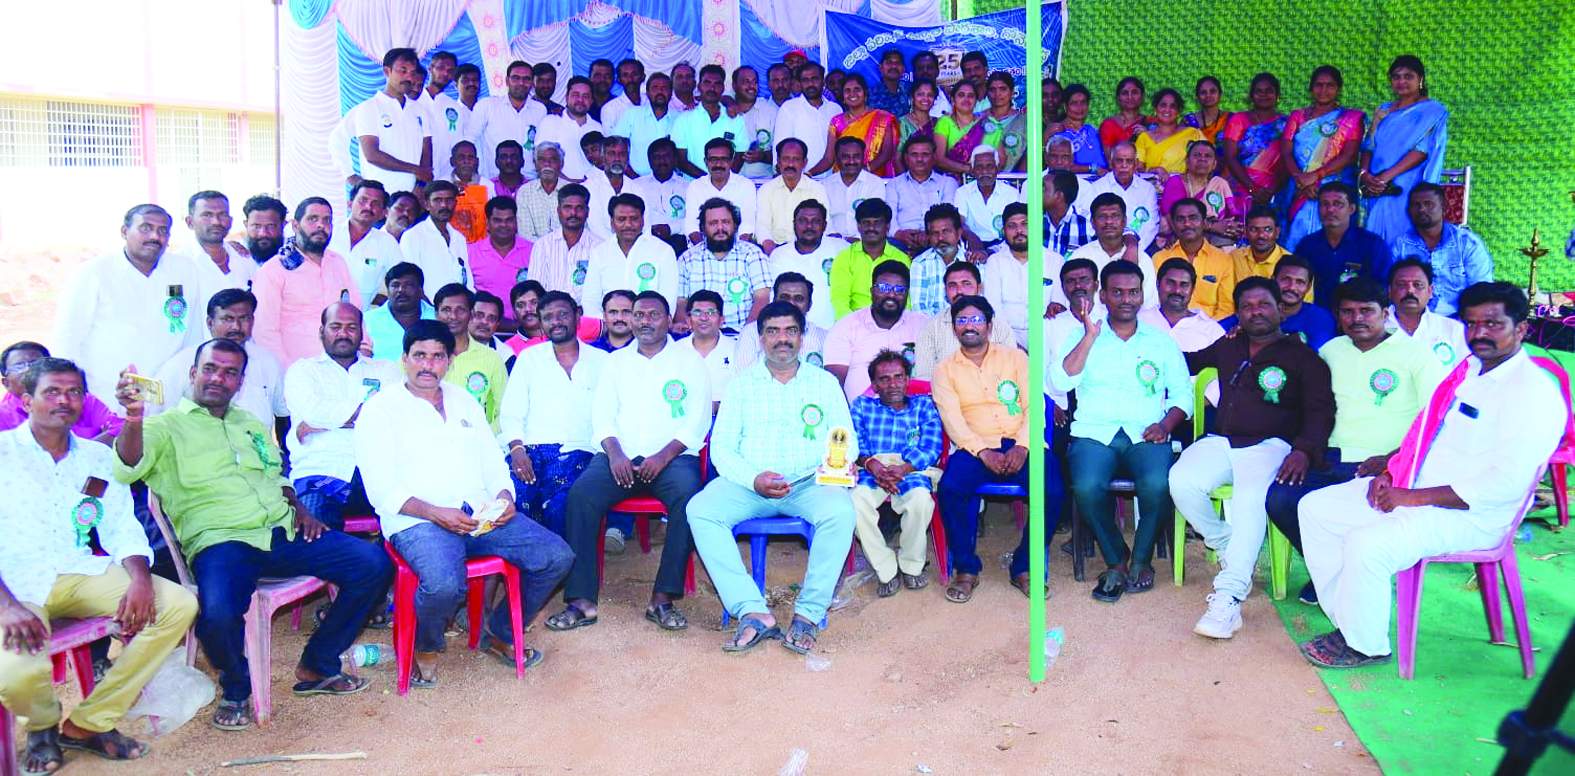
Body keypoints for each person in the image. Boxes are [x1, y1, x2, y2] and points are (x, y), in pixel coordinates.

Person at [113, 339, 392, 729]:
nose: (218, 378)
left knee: (373, 563)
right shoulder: (163, 427)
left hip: (280, 530)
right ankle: (237, 686)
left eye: (230, 372)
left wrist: (300, 510)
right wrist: (133, 418)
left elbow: (276, 475)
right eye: (210, 369)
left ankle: (318, 663)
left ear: (240, 381)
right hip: (221, 542)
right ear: (193, 373)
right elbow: (126, 465)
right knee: (217, 615)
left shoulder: (249, 423)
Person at [1297, 283, 1563, 668]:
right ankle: (1350, 620)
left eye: (1493, 324)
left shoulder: (1532, 394)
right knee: (1316, 508)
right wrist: (1392, 470)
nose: (1479, 333)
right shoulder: (1469, 370)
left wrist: (1410, 498)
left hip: (1471, 516)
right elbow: (1426, 433)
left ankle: (1365, 646)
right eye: (1471, 324)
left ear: (1521, 328)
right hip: (1417, 489)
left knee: (1367, 544)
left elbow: (1505, 486)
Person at [0, 358, 197, 773]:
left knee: (178, 604)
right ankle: (42, 725)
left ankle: (89, 723)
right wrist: (7, 606)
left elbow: (121, 525)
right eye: (52, 392)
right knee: (15, 672)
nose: (64, 400)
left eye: (74, 392)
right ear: (26, 400)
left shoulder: (95, 457)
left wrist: (140, 579)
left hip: (78, 571)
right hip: (15, 585)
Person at [355, 320, 571, 685]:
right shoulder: (380, 409)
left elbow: (491, 459)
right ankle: (426, 646)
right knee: (444, 585)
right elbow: (380, 489)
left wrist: (504, 496)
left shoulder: (463, 400)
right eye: (419, 355)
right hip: (417, 521)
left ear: (449, 361)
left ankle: (500, 633)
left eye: (438, 357)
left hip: (478, 514)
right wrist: (435, 513)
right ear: (404, 359)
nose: (428, 365)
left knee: (556, 556)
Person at [688, 301, 857, 654]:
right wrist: (754, 479)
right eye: (773, 331)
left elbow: (845, 439)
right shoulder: (741, 385)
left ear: (802, 336)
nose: (783, 339)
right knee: (701, 510)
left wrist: (841, 464)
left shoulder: (824, 383)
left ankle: (809, 613)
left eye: (790, 330)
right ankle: (752, 611)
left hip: (809, 484)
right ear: (761, 338)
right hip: (750, 485)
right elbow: (722, 448)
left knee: (841, 512)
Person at [1170, 277, 1334, 639]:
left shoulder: (1303, 357)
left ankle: (1229, 598)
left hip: (1270, 446)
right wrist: (1143, 342)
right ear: (1238, 314)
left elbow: (1321, 411)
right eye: (1246, 306)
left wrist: (1304, 450)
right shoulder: (1229, 345)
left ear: (1280, 310)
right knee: (1181, 481)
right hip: (1222, 441)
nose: (1255, 312)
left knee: (1249, 502)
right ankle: (1226, 544)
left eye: (1263, 304)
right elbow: (1187, 361)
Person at [1264, 278, 1445, 604]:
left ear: (1386, 313)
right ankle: (1330, 571)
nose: (1357, 319)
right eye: (1348, 312)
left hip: (1384, 465)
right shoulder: (1331, 351)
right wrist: (1303, 449)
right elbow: (1309, 406)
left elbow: (1435, 421)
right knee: (1280, 499)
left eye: (1366, 311)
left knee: (1349, 513)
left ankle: (1341, 576)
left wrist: (1392, 460)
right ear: (1337, 316)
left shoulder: (1417, 355)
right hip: (1328, 456)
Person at [548, 292, 708, 633]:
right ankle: (581, 600)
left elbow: (697, 420)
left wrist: (663, 456)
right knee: (581, 496)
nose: (645, 321)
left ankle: (662, 598)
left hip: (672, 457)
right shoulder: (615, 362)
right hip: (619, 456)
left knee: (690, 498)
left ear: (669, 320)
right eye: (639, 315)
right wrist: (615, 453)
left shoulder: (690, 361)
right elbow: (602, 415)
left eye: (653, 315)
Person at [1052, 260, 1190, 600]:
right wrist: (1089, 338)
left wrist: (1165, 424)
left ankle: (1141, 560)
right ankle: (1117, 559)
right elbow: (1060, 381)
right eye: (1117, 292)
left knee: (1157, 484)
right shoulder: (1083, 335)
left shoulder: (1160, 342)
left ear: (1142, 295)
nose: (1126, 299)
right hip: (1094, 433)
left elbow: (1183, 395)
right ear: (1102, 295)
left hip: (1147, 433)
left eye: (1133, 292)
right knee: (1086, 486)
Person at [934, 295, 1049, 601]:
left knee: (1052, 491)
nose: (969, 326)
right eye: (962, 320)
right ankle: (966, 569)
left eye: (976, 319)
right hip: (975, 446)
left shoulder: (1016, 359)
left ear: (989, 325)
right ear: (954, 328)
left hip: (1021, 441)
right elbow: (952, 420)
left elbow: (1034, 406)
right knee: (950, 489)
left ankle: (1024, 566)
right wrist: (982, 452)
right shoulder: (944, 369)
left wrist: (1023, 447)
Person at [53, 204, 203, 404]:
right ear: (124, 232)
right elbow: (67, 338)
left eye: (162, 231)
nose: (155, 236)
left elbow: (193, 333)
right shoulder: (93, 273)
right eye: (145, 228)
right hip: (106, 394)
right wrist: (72, 392)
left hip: (166, 394)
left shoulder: (184, 269)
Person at [496, 291, 607, 538]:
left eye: (562, 315)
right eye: (548, 317)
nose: (555, 322)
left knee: (560, 505)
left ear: (577, 316)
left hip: (580, 450)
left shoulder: (603, 361)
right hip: (529, 450)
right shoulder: (529, 359)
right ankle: (525, 561)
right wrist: (517, 450)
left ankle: (563, 561)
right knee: (514, 498)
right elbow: (512, 411)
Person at [284, 303, 403, 532]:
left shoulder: (385, 370)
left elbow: (393, 415)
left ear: (361, 333)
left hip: (377, 473)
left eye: (351, 327)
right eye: (335, 327)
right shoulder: (303, 370)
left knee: (410, 524)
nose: (343, 333)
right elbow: (313, 412)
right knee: (313, 535)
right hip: (321, 474)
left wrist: (326, 422)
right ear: (322, 331)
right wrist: (367, 413)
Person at [850, 350, 943, 597]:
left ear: (907, 379)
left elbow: (932, 447)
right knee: (854, 503)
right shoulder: (862, 406)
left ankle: (912, 564)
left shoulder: (923, 405)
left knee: (921, 501)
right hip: (871, 468)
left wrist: (903, 469)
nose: (893, 384)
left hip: (912, 468)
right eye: (884, 379)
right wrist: (872, 465)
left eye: (899, 377)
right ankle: (885, 567)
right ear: (874, 385)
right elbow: (855, 443)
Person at [251, 198, 365, 369]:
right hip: (296, 370)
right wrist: (288, 372)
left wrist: (364, 348)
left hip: (343, 367)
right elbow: (264, 332)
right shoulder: (274, 270)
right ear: (295, 225)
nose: (321, 225)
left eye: (327, 220)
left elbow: (355, 310)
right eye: (313, 219)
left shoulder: (337, 262)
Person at [150, 289, 286, 427]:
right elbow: (156, 417)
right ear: (210, 323)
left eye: (243, 318)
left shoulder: (267, 361)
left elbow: (283, 415)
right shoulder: (181, 364)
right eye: (228, 319)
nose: (236, 327)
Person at [1359, 55, 1450, 245]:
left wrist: (1385, 177)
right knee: (1373, 242)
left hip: (1407, 186)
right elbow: (1369, 145)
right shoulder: (1383, 110)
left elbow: (1422, 150)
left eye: (1408, 76)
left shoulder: (1432, 110)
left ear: (1420, 79)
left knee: (1402, 238)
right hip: (1374, 187)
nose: (1401, 81)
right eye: (1396, 77)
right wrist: (1365, 174)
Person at [1281, 66, 1366, 250]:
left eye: (1330, 85)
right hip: (1300, 188)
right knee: (1295, 241)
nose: (1323, 90)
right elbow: (1286, 151)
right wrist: (1300, 180)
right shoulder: (1297, 116)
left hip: (1335, 188)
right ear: (1311, 88)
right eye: (1319, 85)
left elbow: (1350, 155)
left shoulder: (1351, 118)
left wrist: (1316, 176)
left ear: (1338, 89)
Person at [826, 260, 930, 401]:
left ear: (907, 294)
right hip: (860, 413)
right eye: (883, 288)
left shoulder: (923, 325)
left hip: (916, 412)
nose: (891, 295)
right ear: (872, 291)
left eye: (899, 290)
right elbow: (833, 385)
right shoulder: (845, 327)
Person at [1388, 183, 1492, 316]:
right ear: (1409, 211)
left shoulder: (1467, 243)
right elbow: (1391, 288)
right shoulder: (1400, 245)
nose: (1422, 209)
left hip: (1459, 318)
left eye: (1428, 204)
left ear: (1444, 208)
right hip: (1413, 317)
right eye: (1416, 205)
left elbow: (1482, 290)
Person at [678, 198, 771, 331]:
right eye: (713, 223)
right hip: (699, 336)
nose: (720, 228)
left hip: (742, 334)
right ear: (703, 228)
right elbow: (680, 302)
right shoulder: (687, 259)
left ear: (735, 226)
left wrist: (747, 335)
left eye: (726, 222)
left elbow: (762, 299)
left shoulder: (753, 254)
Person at [1292, 182, 1392, 305]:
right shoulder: (1307, 245)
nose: (1330, 210)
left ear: (1351, 209)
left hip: (1358, 312)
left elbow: (1382, 288)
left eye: (1338, 204)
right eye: (1324, 204)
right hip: (1317, 313)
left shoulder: (1372, 245)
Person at [583, 193, 679, 321]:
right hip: (609, 327)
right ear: (612, 222)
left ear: (643, 220)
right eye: (621, 219)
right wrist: (609, 324)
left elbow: (668, 300)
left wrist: (647, 322)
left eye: (634, 219)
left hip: (649, 326)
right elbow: (590, 301)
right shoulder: (600, 252)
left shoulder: (663, 251)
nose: (628, 224)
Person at [1, 343, 123, 441]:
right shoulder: (3, 416)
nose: (28, 370)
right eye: (19, 367)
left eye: (36, 364)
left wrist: (86, 452)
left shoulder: (82, 400)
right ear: (6, 383)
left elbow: (121, 429)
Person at [352, 48, 433, 194]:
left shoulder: (420, 110)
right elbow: (372, 155)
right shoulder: (369, 108)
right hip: (379, 196)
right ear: (387, 71)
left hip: (413, 196)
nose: (408, 77)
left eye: (413, 72)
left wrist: (420, 186)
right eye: (403, 70)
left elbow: (426, 152)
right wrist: (415, 170)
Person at [1222, 255, 1337, 349]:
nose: (1292, 287)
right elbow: (1217, 332)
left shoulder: (1320, 319)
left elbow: (1317, 358)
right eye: (1286, 280)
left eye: (1300, 282)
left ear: (1308, 287)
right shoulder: (1254, 311)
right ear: (1273, 279)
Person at [433, 284, 507, 428]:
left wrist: (484, 437)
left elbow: (504, 410)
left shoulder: (491, 358)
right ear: (436, 314)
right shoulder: (420, 356)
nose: (453, 316)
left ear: (471, 314)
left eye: (460, 310)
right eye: (446, 310)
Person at [768, 200, 848, 332]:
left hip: (836, 332)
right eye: (803, 221)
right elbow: (773, 299)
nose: (809, 226)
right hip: (790, 332)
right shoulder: (779, 255)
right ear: (794, 224)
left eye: (816, 221)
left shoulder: (842, 249)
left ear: (824, 225)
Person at [1152, 198, 1236, 319]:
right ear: (1173, 225)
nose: (1187, 224)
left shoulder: (1223, 260)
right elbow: (1154, 302)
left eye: (1193, 218)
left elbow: (1226, 308)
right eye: (1180, 219)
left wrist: (1206, 328)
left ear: (1204, 223)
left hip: (1211, 328)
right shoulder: (1160, 259)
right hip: (1168, 326)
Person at [828, 198, 912, 318]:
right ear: (858, 226)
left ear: (887, 226)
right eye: (866, 223)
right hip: (853, 324)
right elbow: (839, 300)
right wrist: (855, 326)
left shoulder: (902, 259)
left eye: (877, 223)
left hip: (892, 323)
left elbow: (906, 302)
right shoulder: (845, 258)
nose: (871, 228)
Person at [1067, 193, 1154, 305]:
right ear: (1093, 223)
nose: (1109, 221)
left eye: (1115, 216)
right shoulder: (1079, 257)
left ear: (1124, 221)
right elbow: (1072, 301)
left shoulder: (1142, 259)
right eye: (1102, 217)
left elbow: (1148, 303)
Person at [732, 272, 831, 369]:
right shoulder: (751, 332)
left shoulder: (824, 337)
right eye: (785, 297)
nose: (791, 303)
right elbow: (743, 374)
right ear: (774, 300)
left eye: (798, 298)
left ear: (809, 305)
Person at [809, 74, 900, 178]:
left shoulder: (883, 118)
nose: (852, 94)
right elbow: (828, 159)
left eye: (857, 89)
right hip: (844, 181)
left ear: (865, 94)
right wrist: (809, 174)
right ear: (843, 97)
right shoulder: (836, 122)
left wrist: (864, 172)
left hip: (876, 180)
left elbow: (886, 154)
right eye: (847, 91)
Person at [1220, 73, 1288, 212]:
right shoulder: (1238, 120)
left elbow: (1289, 158)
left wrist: (1272, 190)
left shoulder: (1286, 124)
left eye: (1269, 91)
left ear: (1277, 95)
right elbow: (1230, 157)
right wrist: (1252, 188)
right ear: (1251, 96)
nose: (1264, 95)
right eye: (1259, 91)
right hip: (1240, 186)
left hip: (1275, 191)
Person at [1075, 142, 1160, 252]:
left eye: (1129, 161)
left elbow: (1151, 226)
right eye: (1119, 161)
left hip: (1141, 249)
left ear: (1136, 164)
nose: (1124, 166)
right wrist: (1113, 250)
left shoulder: (1147, 189)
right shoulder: (1097, 188)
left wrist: (1134, 249)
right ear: (1111, 163)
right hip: (1104, 249)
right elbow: (1092, 224)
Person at [526, 184, 602, 305]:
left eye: (579, 208)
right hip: (549, 312)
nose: (573, 213)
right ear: (558, 211)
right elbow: (535, 290)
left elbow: (599, 292)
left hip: (586, 313)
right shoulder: (543, 245)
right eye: (567, 207)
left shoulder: (599, 247)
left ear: (587, 212)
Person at [1385, 257, 1468, 367]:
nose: (1410, 290)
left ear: (1430, 291)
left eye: (1418, 285)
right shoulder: (1375, 328)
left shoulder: (1454, 329)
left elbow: (1466, 370)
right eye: (1401, 285)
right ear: (1389, 291)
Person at [329, 181, 402, 304]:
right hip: (317, 312)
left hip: (361, 314)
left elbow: (401, 279)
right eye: (363, 200)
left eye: (375, 203)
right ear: (349, 203)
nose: (368, 207)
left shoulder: (387, 243)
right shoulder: (329, 234)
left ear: (383, 213)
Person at [1158, 141, 1241, 248]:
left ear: (1214, 164)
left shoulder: (1219, 185)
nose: (1202, 159)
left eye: (1207, 156)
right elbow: (1174, 218)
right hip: (1182, 238)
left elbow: (1231, 217)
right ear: (1187, 162)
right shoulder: (1176, 182)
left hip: (1216, 239)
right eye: (1197, 155)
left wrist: (1230, 227)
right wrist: (1213, 226)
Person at [885, 135, 960, 251]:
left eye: (925, 154)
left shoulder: (948, 183)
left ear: (934, 157)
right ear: (906, 158)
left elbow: (948, 216)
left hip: (937, 238)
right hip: (901, 240)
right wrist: (898, 234)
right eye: (914, 155)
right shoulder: (893, 184)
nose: (919, 159)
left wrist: (929, 234)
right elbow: (889, 216)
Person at [183, 191, 256, 307]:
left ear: (230, 221)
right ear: (190, 222)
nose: (216, 222)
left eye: (222, 215)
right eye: (207, 215)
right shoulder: (180, 263)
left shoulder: (245, 259)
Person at [400, 180, 471, 300]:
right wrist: (429, 308)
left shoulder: (459, 238)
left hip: (459, 307)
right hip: (427, 307)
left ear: (455, 203)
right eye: (437, 200)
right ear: (427, 205)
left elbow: (467, 278)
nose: (444, 205)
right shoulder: (413, 236)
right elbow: (411, 280)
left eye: (449, 200)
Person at [756, 138, 829, 254]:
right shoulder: (766, 190)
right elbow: (762, 225)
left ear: (804, 163)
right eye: (786, 159)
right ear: (778, 162)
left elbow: (824, 224)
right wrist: (768, 244)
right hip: (774, 249)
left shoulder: (817, 189)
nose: (790, 164)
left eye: (796, 159)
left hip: (809, 248)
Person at [671, 65, 745, 179]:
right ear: (699, 86)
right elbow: (680, 160)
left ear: (723, 88)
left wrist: (723, 180)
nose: (712, 88)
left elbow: (740, 155)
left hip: (727, 185)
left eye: (717, 84)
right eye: (707, 83)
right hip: (691, 185)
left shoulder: (736, 119)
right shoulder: (683, 120)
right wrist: (708, 181)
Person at [1140, 258, 1227, 354]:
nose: (1177, 290)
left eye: (1184, 285)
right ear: (1157, 284)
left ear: (1192, 289)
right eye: (1170, 283)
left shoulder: (1212, 331)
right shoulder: (1139, 320)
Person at [985, 203, 1042, 348]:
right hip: (1005, 338)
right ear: (1003, 231)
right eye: (1012, 226)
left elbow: (1058, 310)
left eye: (1025, 224)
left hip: (1046, 336)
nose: (1019, 231)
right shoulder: (994, 262)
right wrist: (1014, 347)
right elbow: (994, 309)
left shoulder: (1054, 261)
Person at [583, 136, 657, 242]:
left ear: (628, 158)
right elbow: (597, 230)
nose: (617, 159)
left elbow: (645, 228)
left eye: (622, 154)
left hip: (636, 247)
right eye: (611, 154)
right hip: (601, 247)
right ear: (603, 157)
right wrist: (622, 247)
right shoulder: (589, 188)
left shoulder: (637, 189)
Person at [774, 62, 842, 173]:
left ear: (823, 81)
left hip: (833, 178)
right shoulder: (789, 108)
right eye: (805, 80)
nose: (810, 84)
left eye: (814, 79)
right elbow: (780, 148)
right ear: (800, 84)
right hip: (799, 179)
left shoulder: (835, 109)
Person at [675, 290, 739, 408]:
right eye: (697, 312)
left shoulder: (737, 350)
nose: (704, 318)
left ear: (721, 320)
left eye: (710, 312)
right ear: (688, 320)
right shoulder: (675, 350)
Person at [467, 196, 532, 306]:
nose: (504, 225)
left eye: (509, 220)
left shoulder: (533, 252)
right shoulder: (470, 253)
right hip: (485, 316)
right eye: (497, 220)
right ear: (487, 223)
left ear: (516, 222)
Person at [613, 72, 678, 179]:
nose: (660, 91)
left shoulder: (680, 119)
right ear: (647, 93)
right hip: (635, 180)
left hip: (673, 182)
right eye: (655, 88)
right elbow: (616, 148)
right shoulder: (632, 114)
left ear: (671, 93)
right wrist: (632, 176)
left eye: (664, 88)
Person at [536, 78, 603, 182]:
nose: (580, 100)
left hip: (594, 188)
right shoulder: (550, 122)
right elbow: (541, 161)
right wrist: (568, 182)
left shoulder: (598, 127)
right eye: (575, 95)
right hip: (558, 187)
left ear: (591, 101)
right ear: (566, 97)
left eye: (585, 96)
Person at [365, 263, 434, 361]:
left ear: (420, 290)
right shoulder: (367, 321)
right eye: (395, 285)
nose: (401, 290)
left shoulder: (437, 317)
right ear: (388, 290)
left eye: (408, 285)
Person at [1134, 88, 1205, 183]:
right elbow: (1137, 171)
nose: (1167, 110)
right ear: (1156, 109)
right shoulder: (1144, 137)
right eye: (1163, 105)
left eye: (1173, 106)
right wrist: (1153, 170)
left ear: (1178, 111)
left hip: (1185, 188)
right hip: (1152, 188)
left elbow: (1207, 161)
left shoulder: (1193, 134)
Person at [822, 137, 888, 241]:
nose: (851, 161)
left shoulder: (875, 184)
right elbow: (823, 217)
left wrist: (858, 238)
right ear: (837, 158)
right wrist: (834, 238)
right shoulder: (825, 185)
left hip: (866, 242)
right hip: (831, 242)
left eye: (856, 156)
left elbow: (876, 218)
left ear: (863, 158)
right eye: (845, 157)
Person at [909, 204, 968, 316]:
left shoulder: (972, 261)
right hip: (932, 326)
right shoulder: (920, 264)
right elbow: (919, 312)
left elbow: (980, 305)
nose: (940, 238)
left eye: (946, 231)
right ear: (928, 237)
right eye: (935, 233)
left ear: (959, 233)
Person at [956, 146, 1020, 246]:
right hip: (973, 246)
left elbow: (1016, 226)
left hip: (1004, 247)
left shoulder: (1011, 194)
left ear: (997, 169)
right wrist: (974, 242)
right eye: (979, 167)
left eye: (990, 167)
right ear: (972, 170)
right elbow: (960, 223)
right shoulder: (962, 193)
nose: (985, 172)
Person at [933, 81, 997, 178]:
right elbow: (939, 159)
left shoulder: (986, 123)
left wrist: (985, 173)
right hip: (950, 180)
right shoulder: (944, 122)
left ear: (976, 100)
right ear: (953, 99)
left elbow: (1001, 157)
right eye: (961, 95)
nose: (966, 99)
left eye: (970, 96)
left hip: (984, 179)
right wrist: (969, 169)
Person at [733, 66, 779, 182]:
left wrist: (762, 156)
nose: (751, 86)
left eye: (755, 82)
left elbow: (782, 152)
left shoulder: (771, 111)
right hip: (730, 182)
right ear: (734, 86)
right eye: (746, 82)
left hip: (764, 181)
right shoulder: (724, 111)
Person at [1053, 83, 1107, 176]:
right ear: (1065, 106)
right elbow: (1062, 166)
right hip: (1075, 181)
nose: (1080, 107)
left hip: (1103, 180)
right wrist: (1093, 168)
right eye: (1074, 103)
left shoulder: (1091, 129)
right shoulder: (1059, 132)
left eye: (1083, 102)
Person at [448, 142, 497, 244]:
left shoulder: (487, 185)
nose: (466, 161)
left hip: (480, 244)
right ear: (452, 161)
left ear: (477, 161)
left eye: (470, 157)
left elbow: (493, 217)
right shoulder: (443, 184)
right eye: (461, 157)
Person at [980, 72, 1029, 172]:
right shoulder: (977, 119)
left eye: (1003, 89)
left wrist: (1018, 178)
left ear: (1012, 92)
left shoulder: (1024, 121)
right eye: (992, 89)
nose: (997, 94)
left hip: (1016, 178)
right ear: (987, 93)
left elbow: (1028, 154)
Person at [1230, 205, 1292, 283]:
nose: (1261, 235)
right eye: (1254, 229)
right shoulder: (1235, 257)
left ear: (1277, 232)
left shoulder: (1289, 264)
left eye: (1268, 229)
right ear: (1245, 232)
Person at [1044, 171, 1093, 257]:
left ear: (1058, 195)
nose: (1035, 193)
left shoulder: (1088, 222)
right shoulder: (1031, 220)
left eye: (1043, 189)